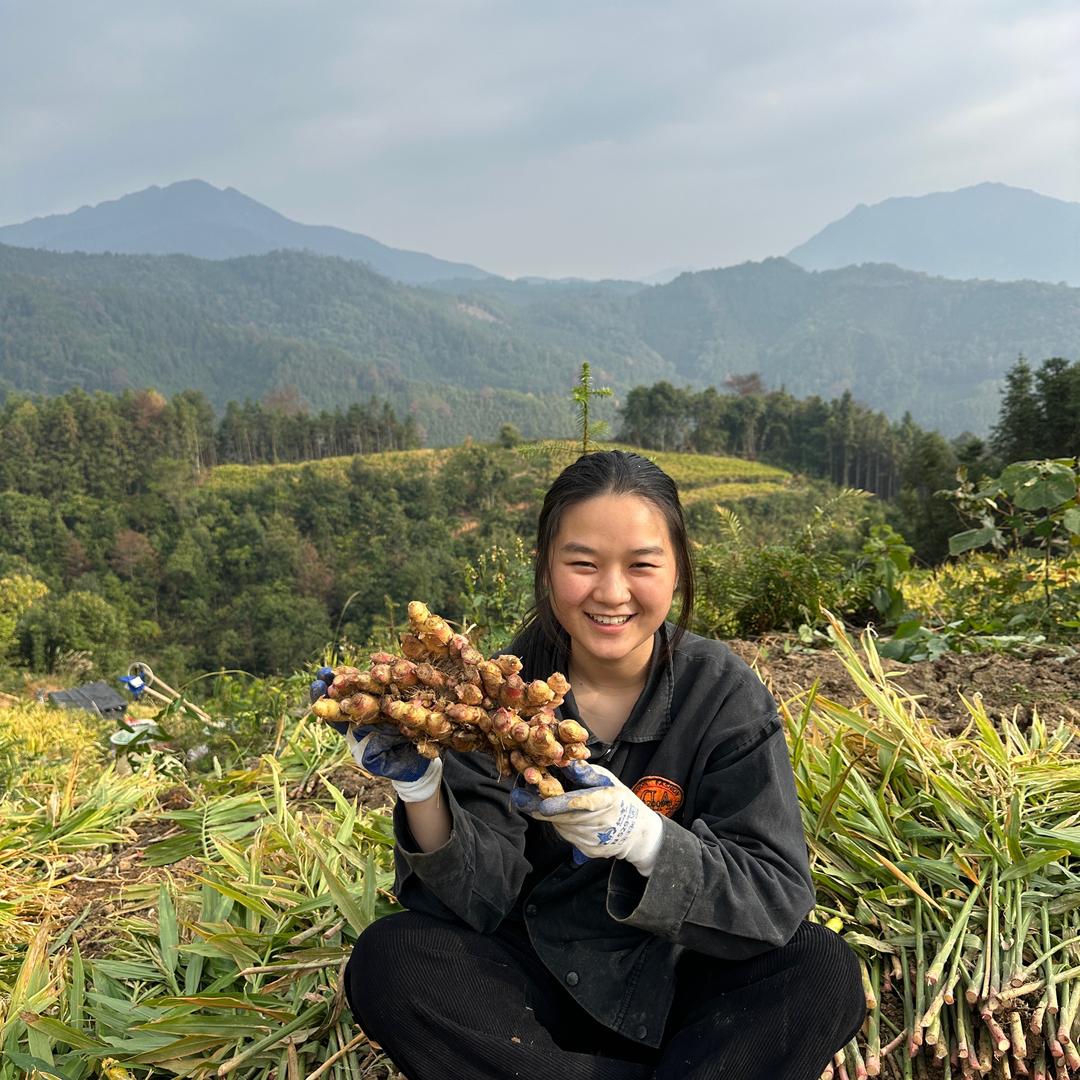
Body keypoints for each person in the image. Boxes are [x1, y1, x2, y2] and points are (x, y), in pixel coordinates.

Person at [326, 450, 865, 1079]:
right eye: (582, 564)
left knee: (820, 971)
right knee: (392, 959)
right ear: (547, 569)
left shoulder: (721, 691)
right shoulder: (495, 699)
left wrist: (647, 841)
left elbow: (774, 896)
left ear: (678, 571)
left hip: (680, 977)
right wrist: (423, 796)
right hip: (538, 985)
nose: (611, 593)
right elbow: (475, 903)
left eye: (641, 565)